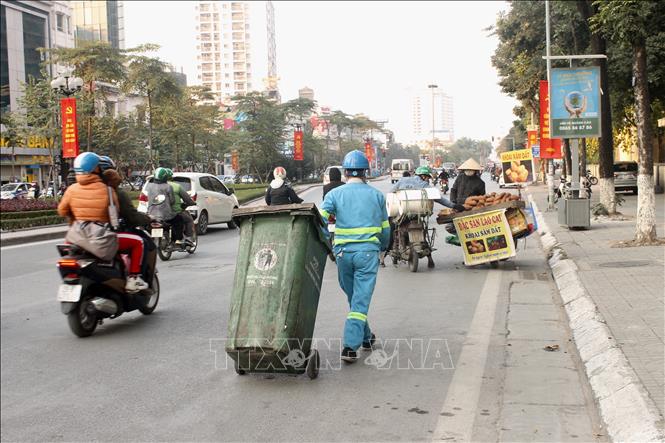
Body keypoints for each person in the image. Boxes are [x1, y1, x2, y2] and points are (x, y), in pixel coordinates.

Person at [320, 150, 389, 363]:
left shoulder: (333, 195)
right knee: (359, 300)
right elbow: (385, 228)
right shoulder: (377, 195)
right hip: (367, 253)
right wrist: (383, 248)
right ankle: (350, 347)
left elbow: (320, 221)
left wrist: (328, 243)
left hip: (342, 254)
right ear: (365, 172)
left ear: (346, 172)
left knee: (355, 298)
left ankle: (366, 337)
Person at [99, 156, 151, 292]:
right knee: (139, 242)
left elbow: (63, 211)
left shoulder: (77, 189)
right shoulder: (112, 193)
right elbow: (128, 216)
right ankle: (134, 277)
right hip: (102, 235)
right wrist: (148, 219)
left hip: (76, 235)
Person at [165, 168, 196, 245]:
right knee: (189, 220)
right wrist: (192, 203)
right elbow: (187, 199)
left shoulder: (154, 187)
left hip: (156, 213)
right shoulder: (176, 186)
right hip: (174, 212)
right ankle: (188, 238)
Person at [145, 167, 179, 237]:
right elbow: (172, 201)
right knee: (179, 220)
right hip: (166, 216)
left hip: (151, 214)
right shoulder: (168, 187)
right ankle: (176, 240)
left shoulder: (149, 186)